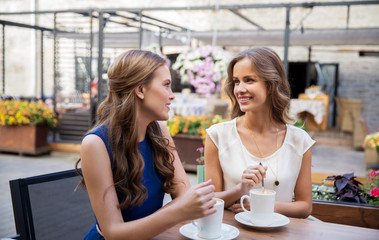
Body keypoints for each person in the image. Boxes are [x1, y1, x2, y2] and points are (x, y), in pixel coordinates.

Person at [75, 50, 216, 240]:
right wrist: (181, 210)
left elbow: (184, 196)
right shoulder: (96, 144)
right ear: (140, 90)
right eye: (166, 85)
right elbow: (113, 233)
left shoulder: (159, 132)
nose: (172, 95)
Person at [204, 47, 315, 218]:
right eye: (236, 81)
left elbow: (305, 207)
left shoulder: (300, 141)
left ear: (272, 84)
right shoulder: (218, 136)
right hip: (230, 232)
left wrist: (263, 206)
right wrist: (239, 190)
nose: (239, 89)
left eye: (249, 80)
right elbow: (210, 200)